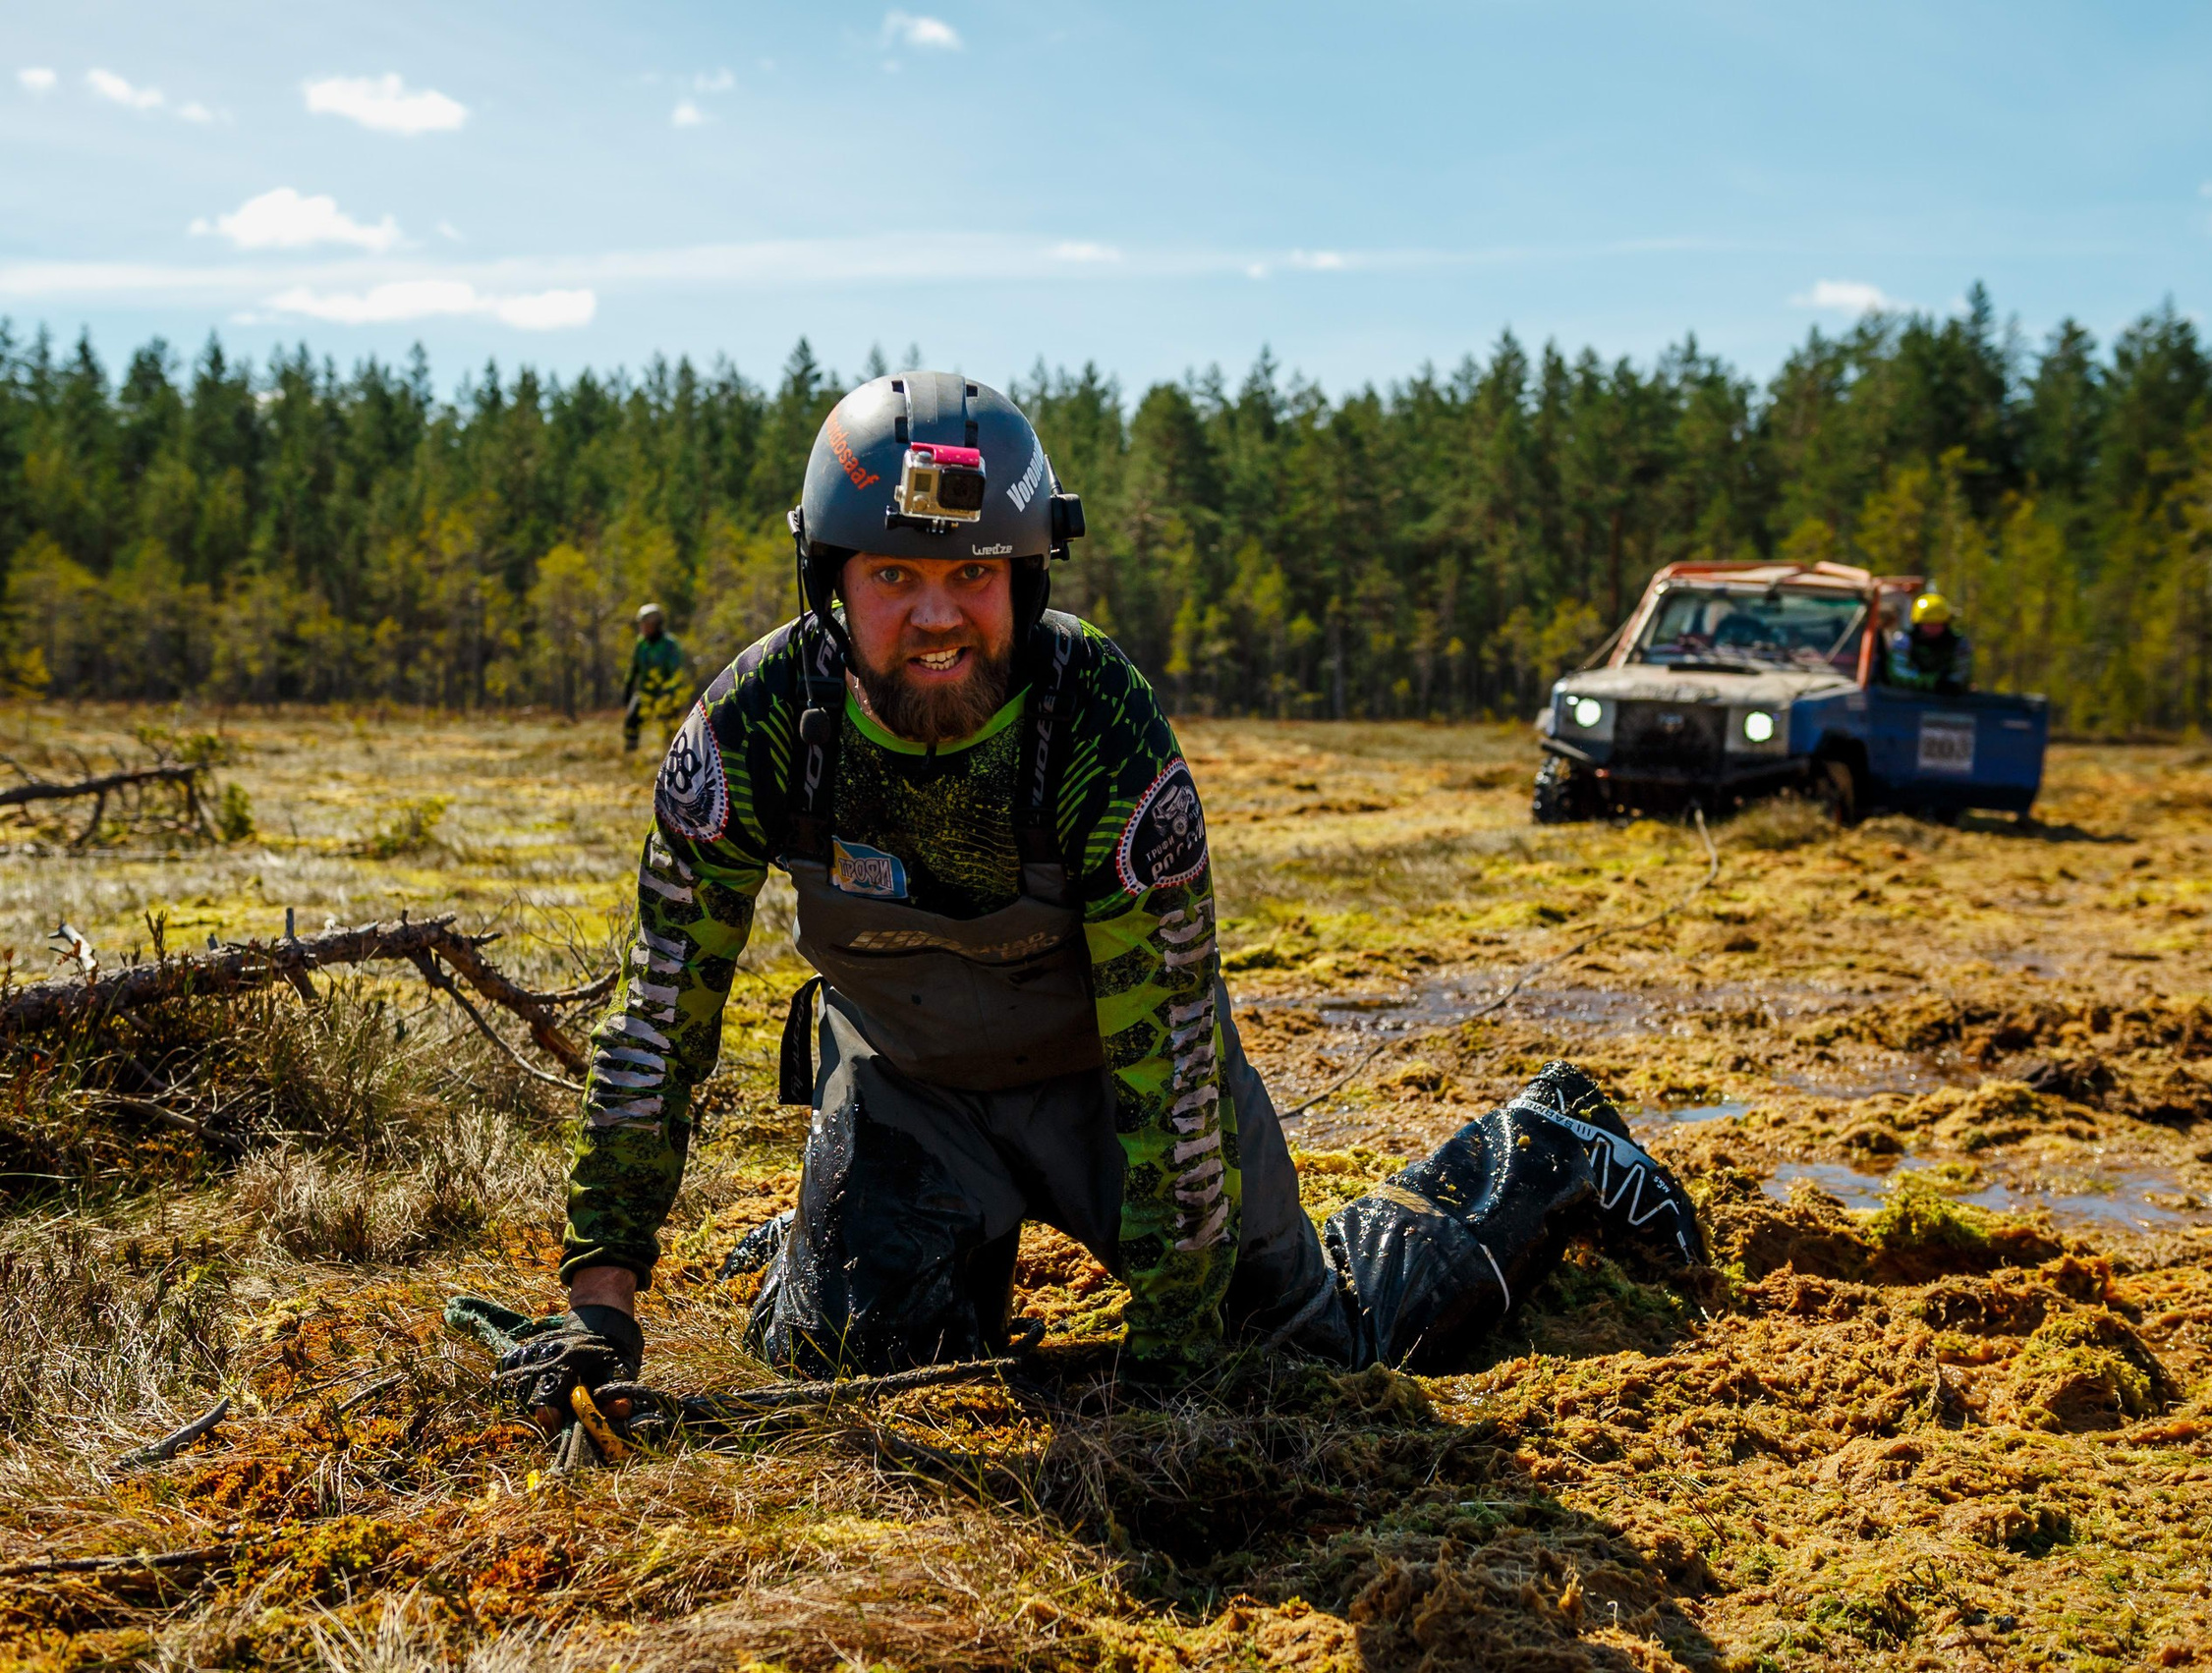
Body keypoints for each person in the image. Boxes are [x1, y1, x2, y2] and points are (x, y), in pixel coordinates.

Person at [499, 372, 1706, 1423]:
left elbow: (1173, 1054)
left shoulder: (1102, 728)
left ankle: (1546, 1146)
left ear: (1024, 578)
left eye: (973, 573)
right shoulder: (751, 729)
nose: (935, 614)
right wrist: (600, 1294)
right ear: (830, 580)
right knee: (842, 1359)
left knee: (1297, 1359)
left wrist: (1183, 1342)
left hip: (1109, 1083)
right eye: (893, 575)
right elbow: (658, 1020)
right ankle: (833, 1243)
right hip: (912, 1087)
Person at [622, 604, 693, 753]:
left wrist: (669, 693)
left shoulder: (670, 645)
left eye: (646, 625)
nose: (643, 628)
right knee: (631, 720)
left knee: (670, 727)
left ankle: (672, 756)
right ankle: (631, 754)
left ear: (656, 625)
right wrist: (628, 686)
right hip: (645, 693)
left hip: (667, 694)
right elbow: (634, 667)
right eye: (642, 625)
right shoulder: (641, 643)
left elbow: (675, 672)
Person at [1884, 591, 1972, 693]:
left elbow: (1963, 673)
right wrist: (1931, 682)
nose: (1933, 628)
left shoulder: (1958, 643)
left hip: (1948, 702)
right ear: (1918, 624)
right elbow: (1898, 673)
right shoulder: (1903, 641)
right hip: (1907, 699)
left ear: (1946, 624)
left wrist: (1951, 683)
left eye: (1938, 624)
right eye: (1928, 624)